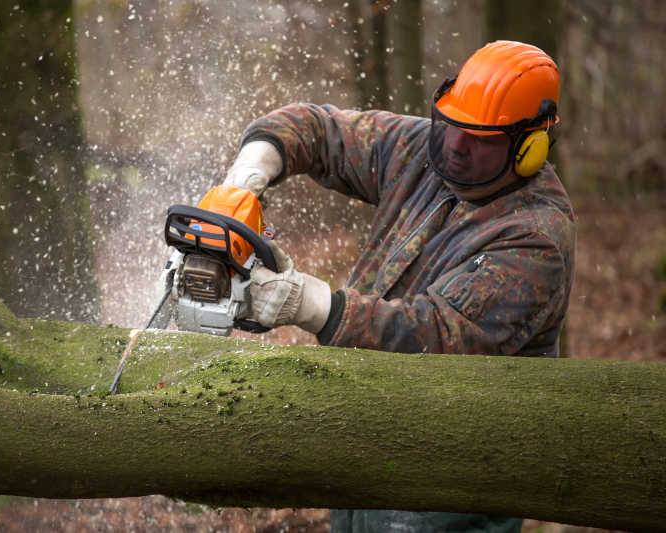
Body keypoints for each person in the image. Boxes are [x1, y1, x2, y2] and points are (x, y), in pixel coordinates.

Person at [223, 40, 575, 532]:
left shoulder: (535, 237)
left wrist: (310, 303)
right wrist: (251, 170)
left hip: (452, 476)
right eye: (452, 125)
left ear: (529, 146)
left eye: (480, 139)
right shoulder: (425, 152)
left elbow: (434, 338)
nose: (456, 146)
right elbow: (322, 130)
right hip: (366, 440)